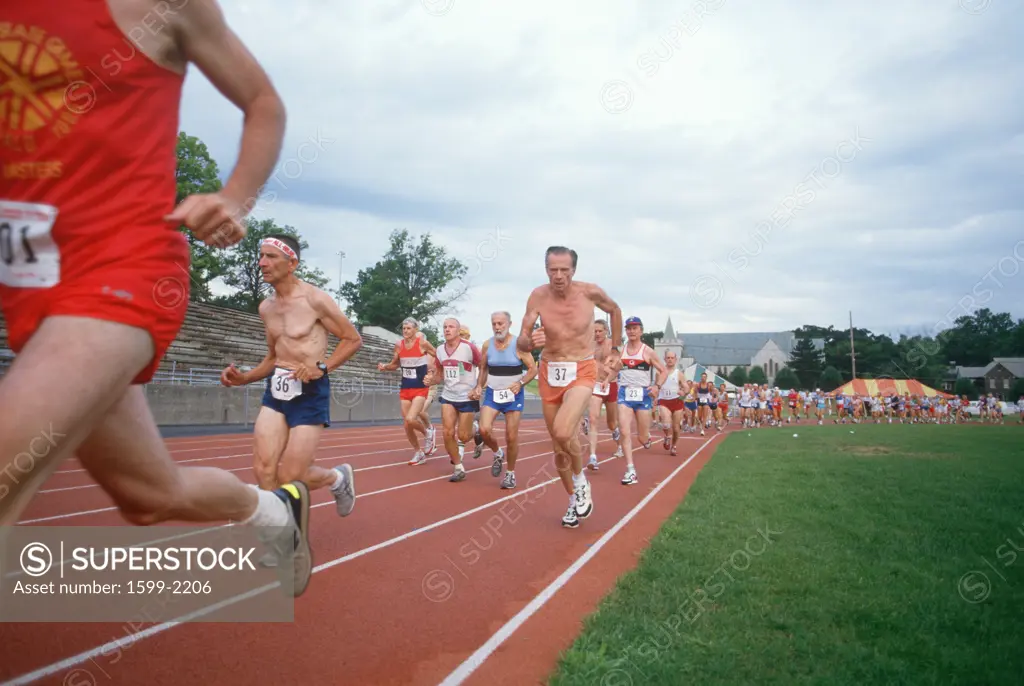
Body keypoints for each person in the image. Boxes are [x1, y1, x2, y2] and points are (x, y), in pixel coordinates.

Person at [0, 0, 315, 596]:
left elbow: (264, 103)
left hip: (121, 268)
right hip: (28, 282)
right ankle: (273, 513)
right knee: (148, 496)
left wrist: (235, 197)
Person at [220, 235, 362, 544]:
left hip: (309, 391)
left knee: (293, 475)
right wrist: (244, 378)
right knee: (264, 469)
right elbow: (273, 357)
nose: (262, 263)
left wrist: (321, 367)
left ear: (292, 263)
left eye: (270, 257)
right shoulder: (266, 307)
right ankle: (285, 540)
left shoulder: (315, 300)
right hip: (277, 390)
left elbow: (352, 339)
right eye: (261, 256)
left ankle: (338, 479)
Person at [518, 246, 622, 528]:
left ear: (574, 270)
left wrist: (616, 347)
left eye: (564, 270)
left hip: (582, 369)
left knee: (565, 431)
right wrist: (531, 342)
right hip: (549, 372)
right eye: (553, 270)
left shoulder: (590, 292)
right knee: (559, 449)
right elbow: (521, 342)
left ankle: (581, 481)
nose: (559, 275)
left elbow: (614, 309)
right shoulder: (537, 296)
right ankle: (574, 498)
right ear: (546, 270)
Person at [469, 311, 538, 489]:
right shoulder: (487, 345)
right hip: (493, 393)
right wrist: (478, 386)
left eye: (501, 324)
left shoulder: (518, 345)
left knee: (511, 436)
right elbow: (483, 369)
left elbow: (532, 369)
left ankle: (510, 474)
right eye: (494, 324)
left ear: (509, 324)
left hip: (513, 395)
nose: (497, 327)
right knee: (484, 430)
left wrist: (520, 383)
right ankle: (497, 453)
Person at [608, 317, 668, 485]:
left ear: (641, 331)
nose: (631, 331)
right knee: (625, 431)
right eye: (629, 328)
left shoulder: (647, 351)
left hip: (642, 396)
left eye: (635, 328)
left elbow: (663, 371)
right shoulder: (621, 350)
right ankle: (630, 470)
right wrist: (607, 380)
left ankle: (646, 438)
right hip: (624, 394)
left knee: (641, 438)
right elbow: (617, 369)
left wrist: (657, 386)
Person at [376, 318, 438, 465]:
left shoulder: (422, 343)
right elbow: (395, 364)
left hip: (420, 388)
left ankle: (427, 432)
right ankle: (418, 452)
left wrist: (433, 374)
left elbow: (439, 357)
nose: (405, 331)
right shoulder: (398, 346)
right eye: (404, 328)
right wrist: (385, 366)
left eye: (409, 328)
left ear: (415, 330)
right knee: (407, 424)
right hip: (405, 388)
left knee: (411, 418)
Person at [432, 318, 482, 482]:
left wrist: (479, 387)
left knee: (464, 435)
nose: (447, 329)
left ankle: (476, 430)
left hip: (467, 396)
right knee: (447, 433)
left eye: (451, 327)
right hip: (449, 395)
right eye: (445, 327)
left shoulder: (469, 348)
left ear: (458, 330)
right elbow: (439, 373)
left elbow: (484, 366)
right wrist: (431, 379)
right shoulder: (439, 350)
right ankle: (458, 467)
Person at [582, 319, 623, 470]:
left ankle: (619, 445)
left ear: (606, 331)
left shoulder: (612, 346)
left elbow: (618, 366)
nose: (597, 333)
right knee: (593, 419)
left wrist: (608, 378)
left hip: (610, 386)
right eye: (595, 331)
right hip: (595, 386)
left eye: (600, 331)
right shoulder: (588, 346)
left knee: (612, 423)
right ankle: (593, 457)